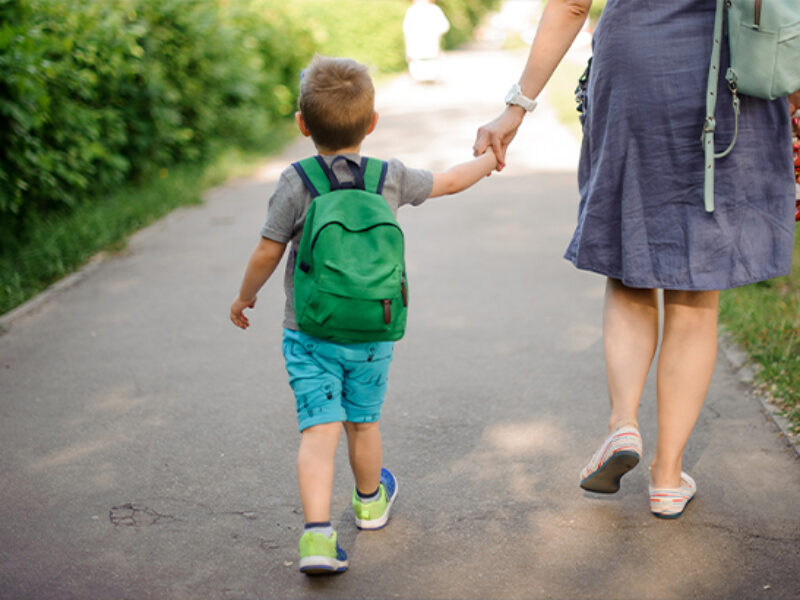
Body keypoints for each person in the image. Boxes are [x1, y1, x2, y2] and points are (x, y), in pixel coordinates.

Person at [473, 0, 799, 519]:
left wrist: (517, 105)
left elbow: (572, 4)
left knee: (631, 259)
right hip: (737, 65)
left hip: (636, 64)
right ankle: (668, 479)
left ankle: (623, 423)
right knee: (697, 283)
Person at [230, 55, 496, 574]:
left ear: (302, 125)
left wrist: (245, 297)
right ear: (371, 123)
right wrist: (489, 158)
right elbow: (449, 181)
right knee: (363, 423)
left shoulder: (297, 180)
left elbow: (267, 250)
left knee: (318, 431)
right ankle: (371, 502)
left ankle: (317, 539)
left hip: (309, 331)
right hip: (374, 329)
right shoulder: (387, 177)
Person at [403, 0, 450, 83]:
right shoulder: (434, 9)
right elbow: (444, 26)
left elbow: (406, 31)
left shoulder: (412, 10)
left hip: (417, 55)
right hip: (431, 53)